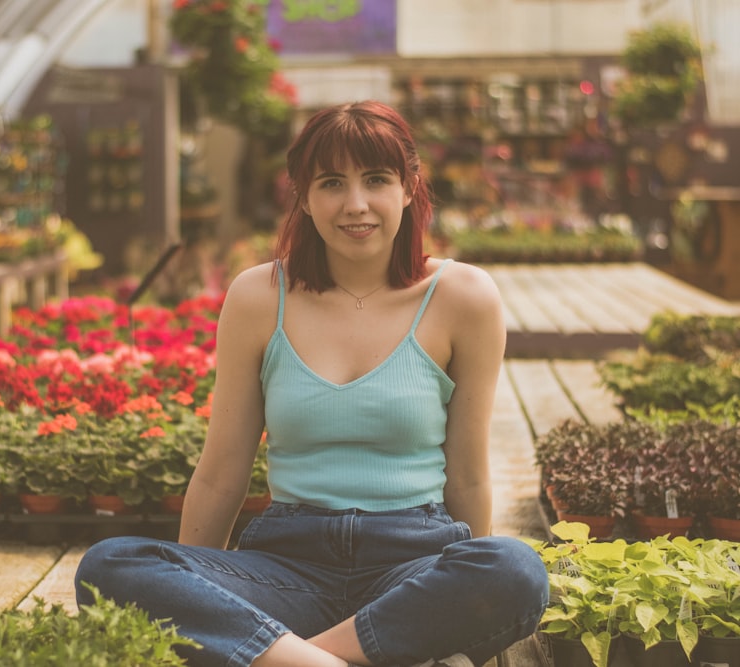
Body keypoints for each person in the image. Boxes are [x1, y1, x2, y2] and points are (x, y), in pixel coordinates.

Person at [75, 100, 549, 667]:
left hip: (411, 565)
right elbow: (223, 470)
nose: (355, 205)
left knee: (515, 570)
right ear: (301, 194)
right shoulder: (257, 297)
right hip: (286, 569)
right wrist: (196, 592)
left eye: (376, 180)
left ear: (409, 186)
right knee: (110, 566)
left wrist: (458, 597)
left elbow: (469, 474)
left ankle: (287, 658)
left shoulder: (462, 297)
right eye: (331, 183)